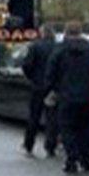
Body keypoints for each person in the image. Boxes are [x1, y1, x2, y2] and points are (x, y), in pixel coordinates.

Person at [46, 22, 89, 174]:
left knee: (67, 128)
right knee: (85, 128)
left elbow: (50, 72)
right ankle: (86, 159)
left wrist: (53, 89)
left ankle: (72, 159)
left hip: (66, 95)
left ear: (66, 32)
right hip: (87, 95)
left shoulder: (59, 50)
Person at [21, 25, 59, 157]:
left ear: (41, 33)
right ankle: (51, 146)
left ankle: (29, 144)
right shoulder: (58, 47)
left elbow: (26, 65)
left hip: (38, 85)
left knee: (34, 116)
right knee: (52, 117)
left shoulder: (35, 46)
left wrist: (32, 77)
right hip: (53, 87)